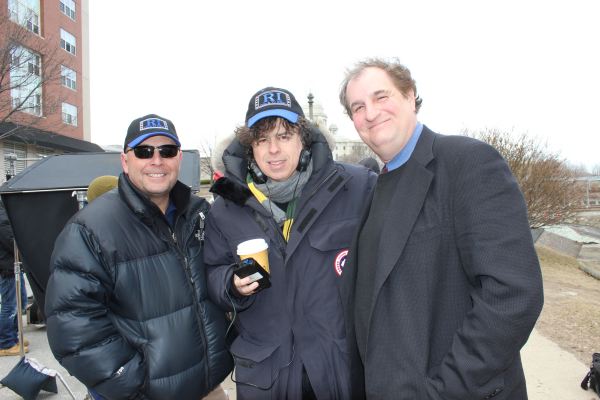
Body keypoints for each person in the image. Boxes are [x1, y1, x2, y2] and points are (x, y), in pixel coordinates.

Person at [338, 58, 544, 399]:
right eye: (358, 106)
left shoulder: (468, 163)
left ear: (410, 95)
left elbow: (512, 295)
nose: (370, 113)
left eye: (381, 97)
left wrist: (443, 392)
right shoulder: (376, 189)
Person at [204, 87, 376, 399]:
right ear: (249, 149)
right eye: (262, 139)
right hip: (267, 376)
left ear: (304, 139)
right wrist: (231, 285)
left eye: (284, 136)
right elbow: (213, 271)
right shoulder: (226, 208)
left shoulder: (356, 188)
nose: (273, 150)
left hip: (338, 369)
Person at [45, 114, 232, 399]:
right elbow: (73, 329)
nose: (156, 160)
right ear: (125, 160)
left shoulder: (198, 214)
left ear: (179, 158)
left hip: (207, 387)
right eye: (144, 151)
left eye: (167, 151)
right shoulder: (90, 229)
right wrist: (133, 383)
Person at [0, 198, 28, 356]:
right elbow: (11, 241)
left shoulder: (4, 213)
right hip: (8, 267)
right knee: (10, 306)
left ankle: (13, 336)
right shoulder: (2, 216)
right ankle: (6, 343)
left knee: (20, 301)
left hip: (10, 265)